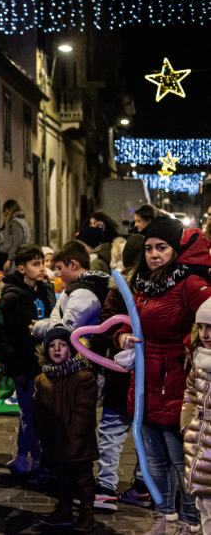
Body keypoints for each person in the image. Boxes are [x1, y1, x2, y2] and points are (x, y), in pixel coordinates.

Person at [115, 216, 211, 534]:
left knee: (180, 459)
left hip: (176, 382)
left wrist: (189, 345)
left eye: (162, 247)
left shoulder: (191, 283)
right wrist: (122, 336)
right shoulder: (141, 283)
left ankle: (188, 520)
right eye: (149, 248)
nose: (154, 254)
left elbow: (206, 322)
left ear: (174, 250)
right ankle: (164, 515)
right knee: (152, 459)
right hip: (144, 381)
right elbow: (128, 318)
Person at [88, 234, 151, 512]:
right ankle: (120, 486)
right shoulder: (120, 289)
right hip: (126, 374)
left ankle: (121, 485)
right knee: (128, 430)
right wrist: (120, 338)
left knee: (129, 431)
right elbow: (105, 327)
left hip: (145, 375)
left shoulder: (156, 289)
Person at [0, 245, 56, 478]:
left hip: (44, 361)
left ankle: (23, 457)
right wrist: (16, 367)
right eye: (35, 264)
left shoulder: (45, 290)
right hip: (25, 363)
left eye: (43, 263)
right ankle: (39, 461)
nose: (41, 268)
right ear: (21, 268)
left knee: (35, 413)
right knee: (30, 415)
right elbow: (8, 337)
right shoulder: (12, 297)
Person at [34, 326, 98, 532]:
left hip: (77, 441)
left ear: (72, 348)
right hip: (55, 439)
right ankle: (64, 508)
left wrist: (76, 435)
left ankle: (87, 511)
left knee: (82, 477)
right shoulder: (43, 378)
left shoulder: (83, 376)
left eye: (62, 345)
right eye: (52, 346)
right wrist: (42, 433)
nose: (57, 349)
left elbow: (85, 410)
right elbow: (40, 410)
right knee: (61, 477)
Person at [32, 241, 110, 339]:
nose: (58, 274)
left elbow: (66, 331)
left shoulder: (83, 294)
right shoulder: (81, 288)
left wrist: (38, 327)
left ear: (73, 265)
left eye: (60, 268)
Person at [181, 299, 211, 531]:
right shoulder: (199, 359)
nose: (204, 334)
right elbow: (190, 393)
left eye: (210, 327)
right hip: (199, 442)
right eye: (200, 327)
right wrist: (187, 424)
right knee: (203, 503)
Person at [0, 200, 31, 273]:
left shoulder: (15, 222)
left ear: (8, 210)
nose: (4, 214)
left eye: (4, 211)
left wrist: (9, 259)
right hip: (15, 255)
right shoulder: (22, 221)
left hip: (9, 256)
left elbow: (16, 243)